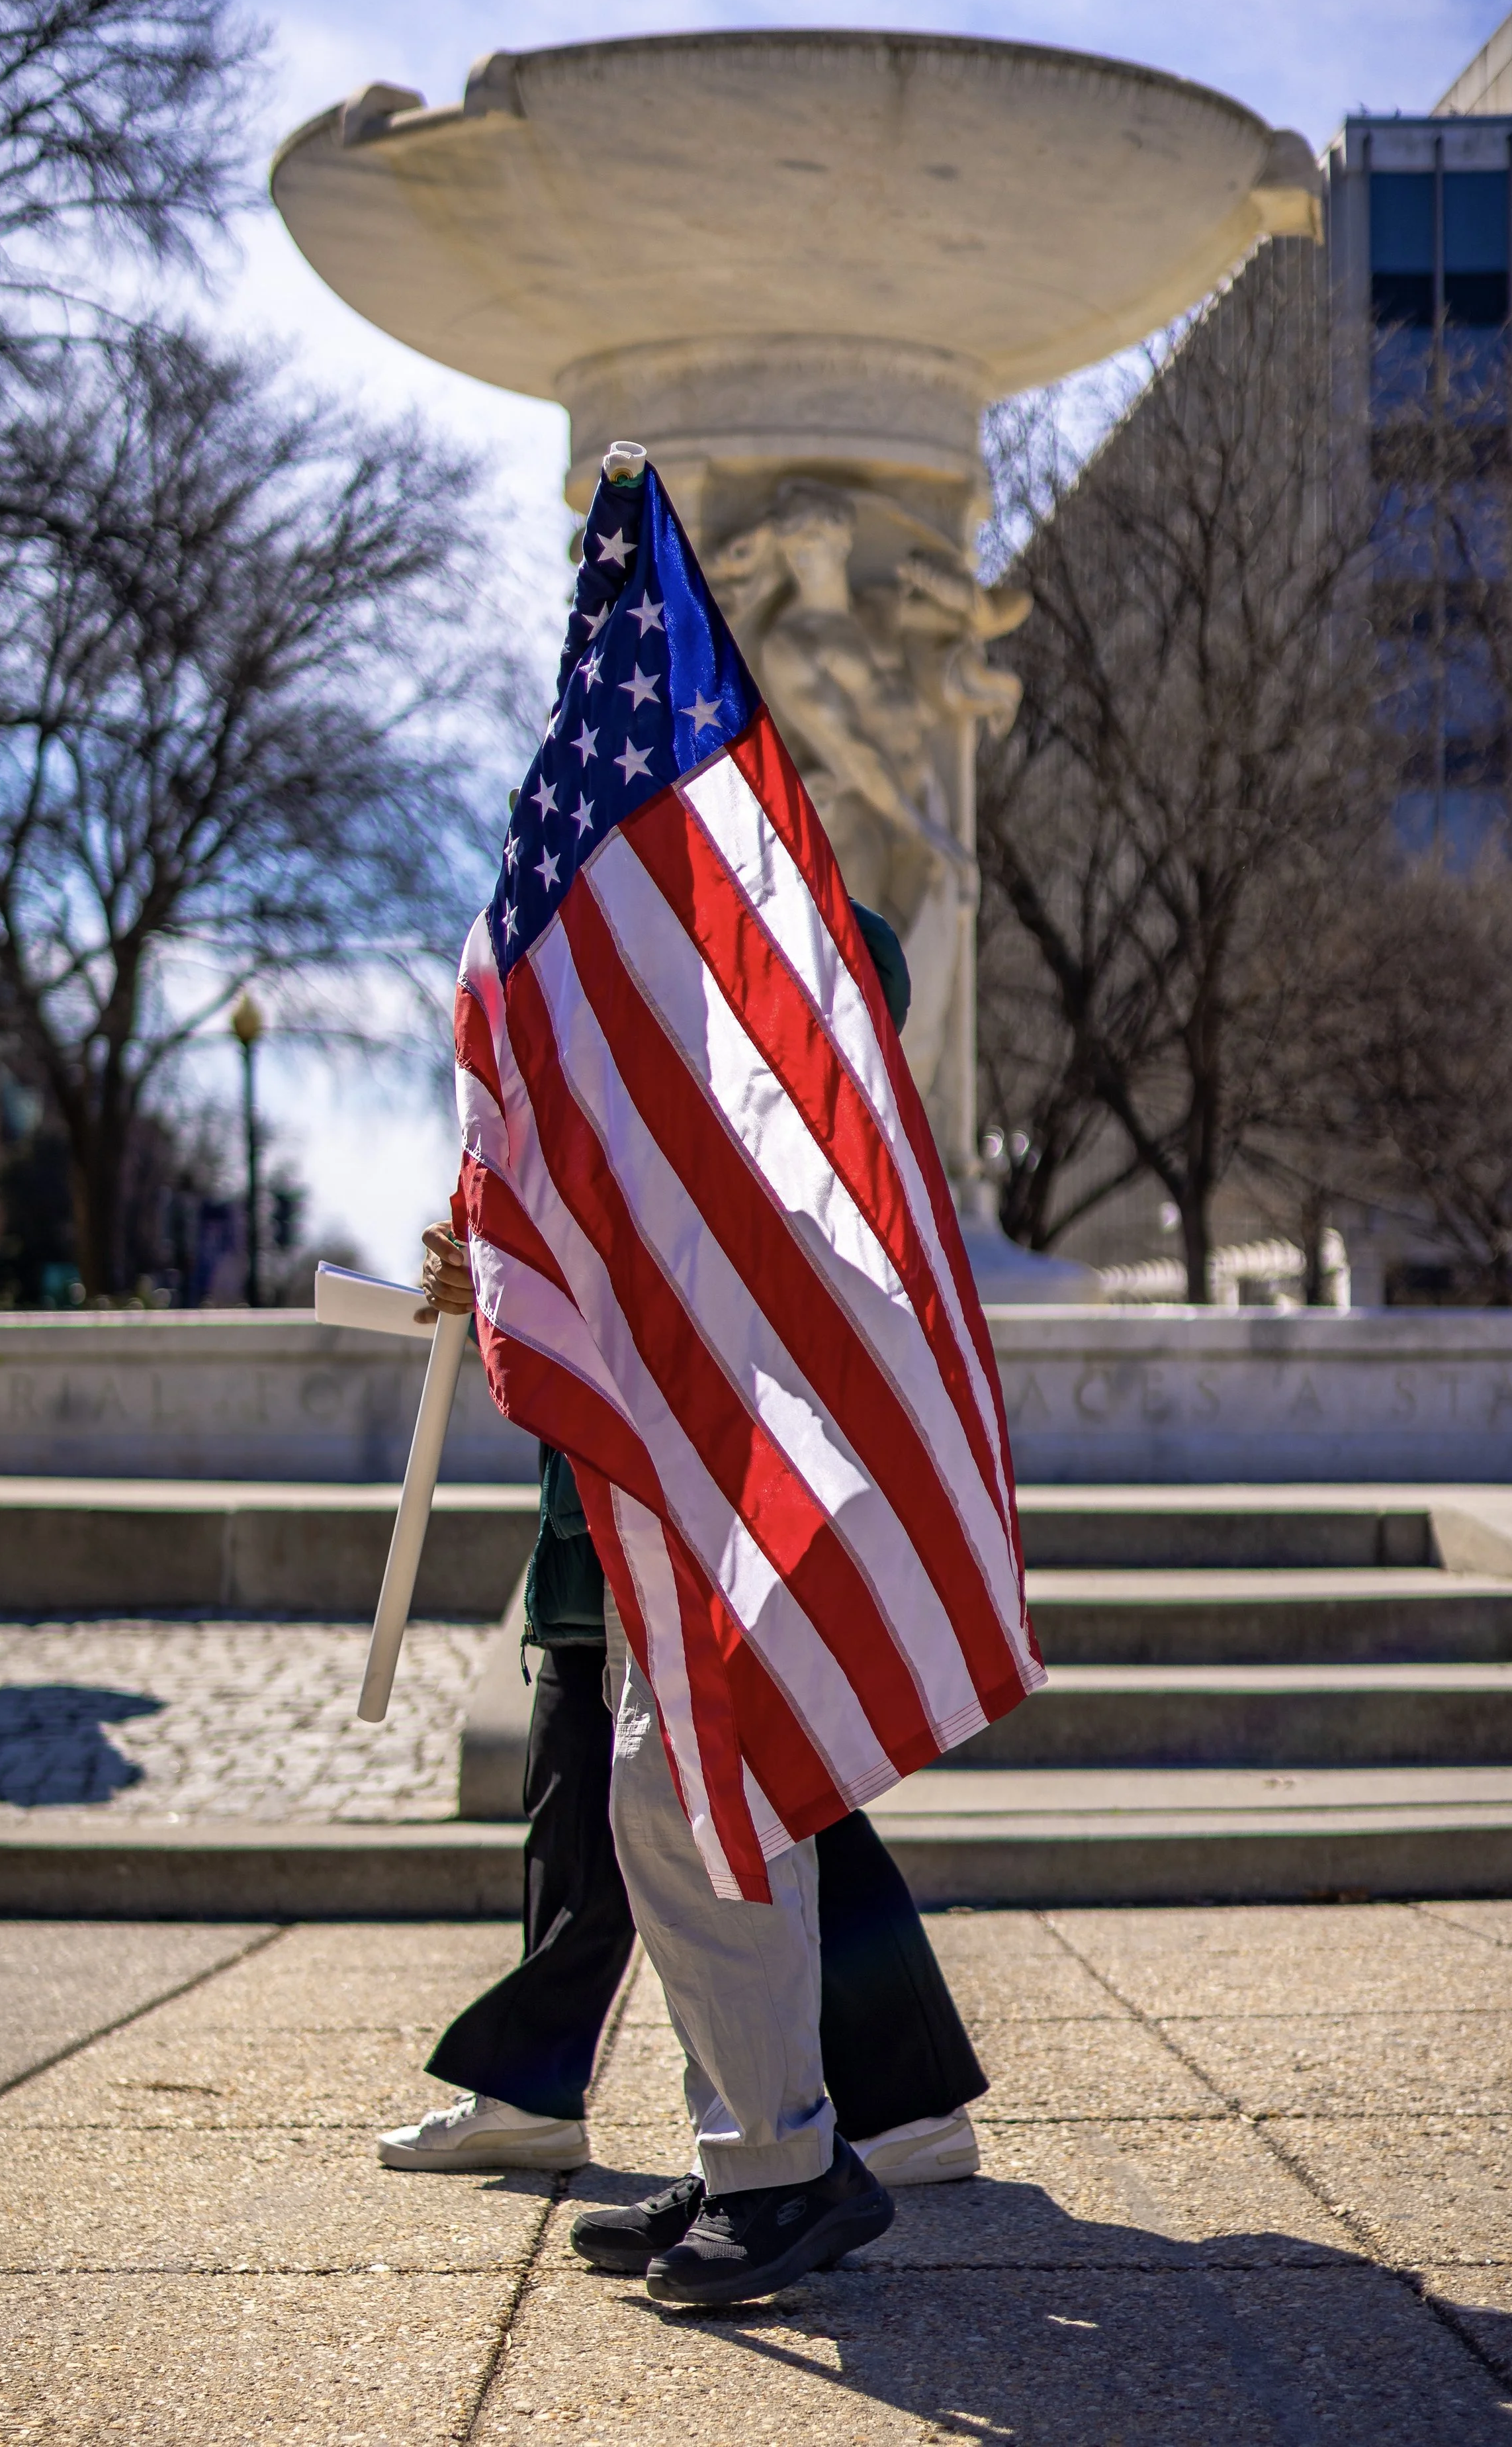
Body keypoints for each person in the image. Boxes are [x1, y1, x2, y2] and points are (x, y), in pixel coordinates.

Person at [378, 905, 989, 2301]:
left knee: (704, 1805)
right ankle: (765, 2152)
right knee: (662, 1818)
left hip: (720, 1485)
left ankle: (796, 2146)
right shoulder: (629, 1021)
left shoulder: (764, 1013)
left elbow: (848, 994)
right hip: (646, 1481)